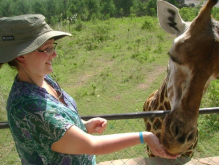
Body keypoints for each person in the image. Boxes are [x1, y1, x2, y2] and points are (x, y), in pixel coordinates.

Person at [0, 14, 179, 164]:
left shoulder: (42, 80)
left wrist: (82, 126)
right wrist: (144, 136)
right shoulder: (29, 106)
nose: (54, 54)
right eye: (46, 49)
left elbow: (52, 129)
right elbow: (93, 145)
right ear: (21, 56)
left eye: (53, 47)